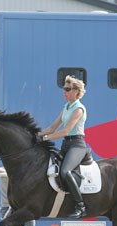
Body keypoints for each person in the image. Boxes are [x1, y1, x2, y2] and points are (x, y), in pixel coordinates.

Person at [36, 75, 87, 218]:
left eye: (67, 89)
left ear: (76, 92)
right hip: (66, 144)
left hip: (77, 145)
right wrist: (36, 135)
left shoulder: (79, 109)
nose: (64, 92)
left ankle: (80, 205)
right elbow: (53, 127)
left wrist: (46, 138)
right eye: (64, 89)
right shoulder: (66, 107)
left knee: (65, 171)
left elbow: (65, 130)